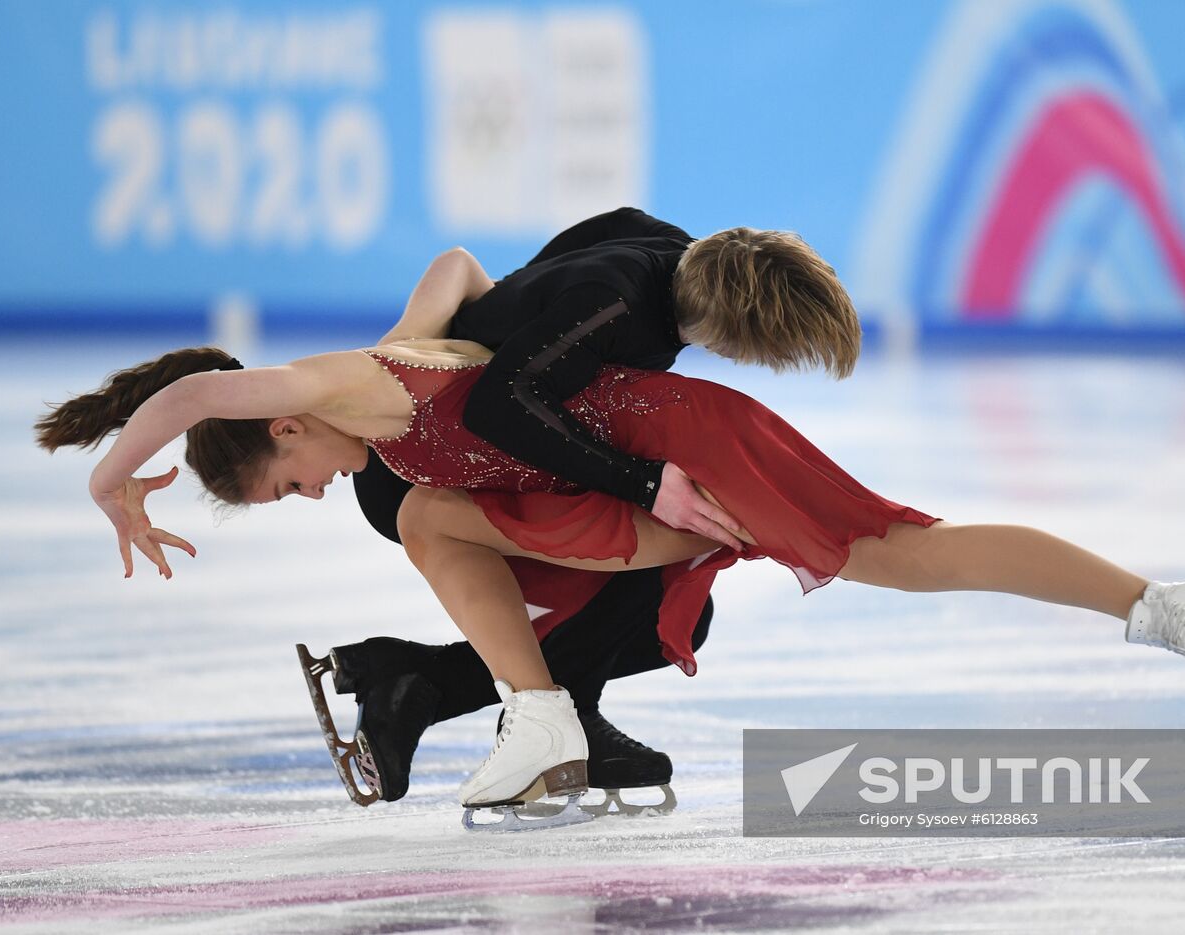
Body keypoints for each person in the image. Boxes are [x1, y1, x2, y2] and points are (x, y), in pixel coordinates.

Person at [35, 330, 1185, 824]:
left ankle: (1175, 606)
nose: (305, 495)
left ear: (283, 430)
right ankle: (536, 719)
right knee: (433, 523)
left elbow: (198, 390)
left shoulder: (337, 386)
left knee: (908, 553)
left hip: (678, 444)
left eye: (279, 482)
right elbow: (463, 279)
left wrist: (112, 478)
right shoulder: (386, 419)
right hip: (633, 471)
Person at [331, 207, 859, 805]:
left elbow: (528, 295)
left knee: (675, 618)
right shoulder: (616, 308)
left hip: (464, 453)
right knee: (651, 592)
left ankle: (424, 684)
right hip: (425, 471)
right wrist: (643, 483)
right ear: (733, 329)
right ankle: (543, 716)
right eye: (754, 350)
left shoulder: (654, 240)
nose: (743, 362)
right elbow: (497, 402)